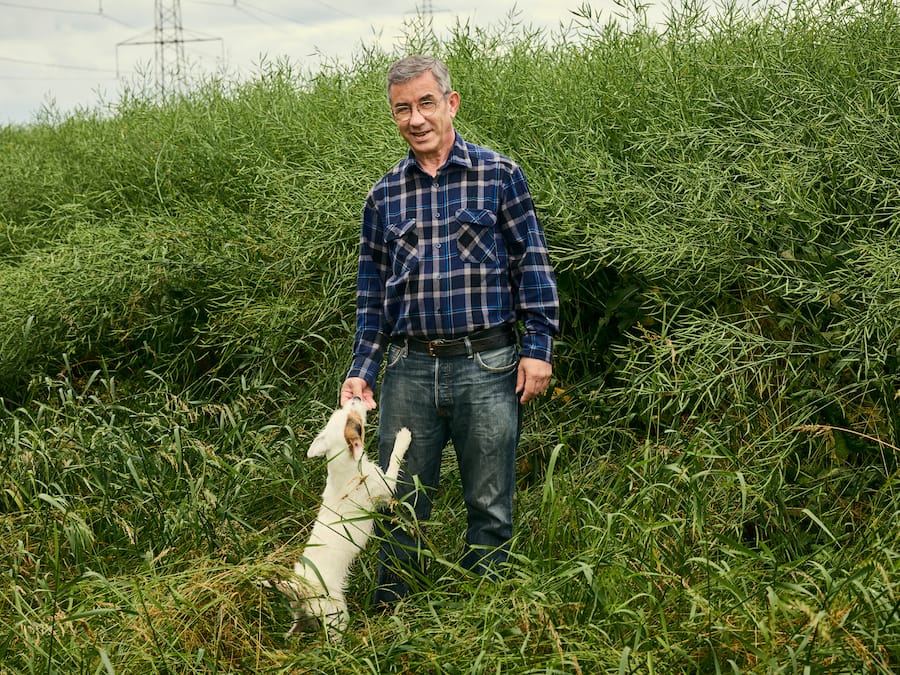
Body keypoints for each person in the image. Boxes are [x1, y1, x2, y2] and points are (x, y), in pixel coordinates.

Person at [339, 54, 559, 605]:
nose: (415, 119)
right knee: (401, 499)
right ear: (394, 116)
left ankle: (487, 614)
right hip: (410, 369)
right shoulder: (383, 196)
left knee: (489, 501)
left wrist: (538, 348)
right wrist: (362, 373)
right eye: (402, 109)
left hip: (487, 364)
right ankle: (394, 615)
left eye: (426, 104)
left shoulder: (499, 176)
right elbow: (371, 299)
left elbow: (531, 265)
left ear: (450, 103)